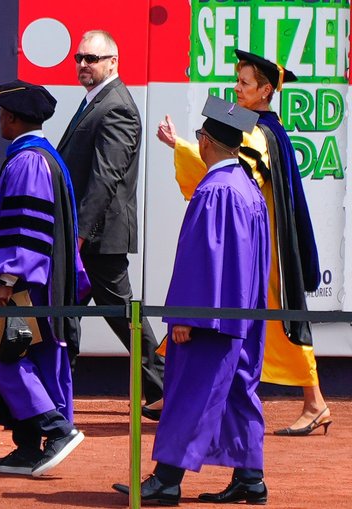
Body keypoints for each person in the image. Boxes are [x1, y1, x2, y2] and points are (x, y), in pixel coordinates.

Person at [156, 49, 326, 435]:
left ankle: (314, 402)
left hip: (260, 244)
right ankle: (177, 390)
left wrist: (180, 146)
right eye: (238, 81)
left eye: (245, 83)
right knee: (221, 309)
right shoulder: (256, 125)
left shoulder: (261, 132)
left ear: (266, 91)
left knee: (279, 323)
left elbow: (234, 172)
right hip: (250, 235)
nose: (236, 88)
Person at [114, 96, 270, 505]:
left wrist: (184, 316)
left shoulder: (215, 190)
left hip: (209, 319)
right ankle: (250, 477)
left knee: (189, 392)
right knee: (238, 388)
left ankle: (166, 479)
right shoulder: (248, 189)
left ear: (205, 142)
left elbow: (202, 260)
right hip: (242, 314)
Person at [0, 80, 87, 476]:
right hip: (35, 280)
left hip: (27, 285)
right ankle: (28, 446)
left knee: (4, 353)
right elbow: (18, 226)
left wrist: (6, 279)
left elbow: (25, 232)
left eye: (2, 114)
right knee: (26, 357)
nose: (0, 121)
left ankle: (56, 429)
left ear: (13, 117)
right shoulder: (41, 156)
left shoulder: (28, 161)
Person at [56, 30, 165, 417]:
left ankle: (165, 387)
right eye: (79, 58)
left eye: (92, 59)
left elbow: (106, 178)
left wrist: (80, 235)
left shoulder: (116, 106)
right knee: (68, 311)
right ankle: (58, 389)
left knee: (117, 314)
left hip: (98, 239)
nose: (84, 64)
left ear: (113, 62)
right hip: (91, 236)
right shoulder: (97, 101)